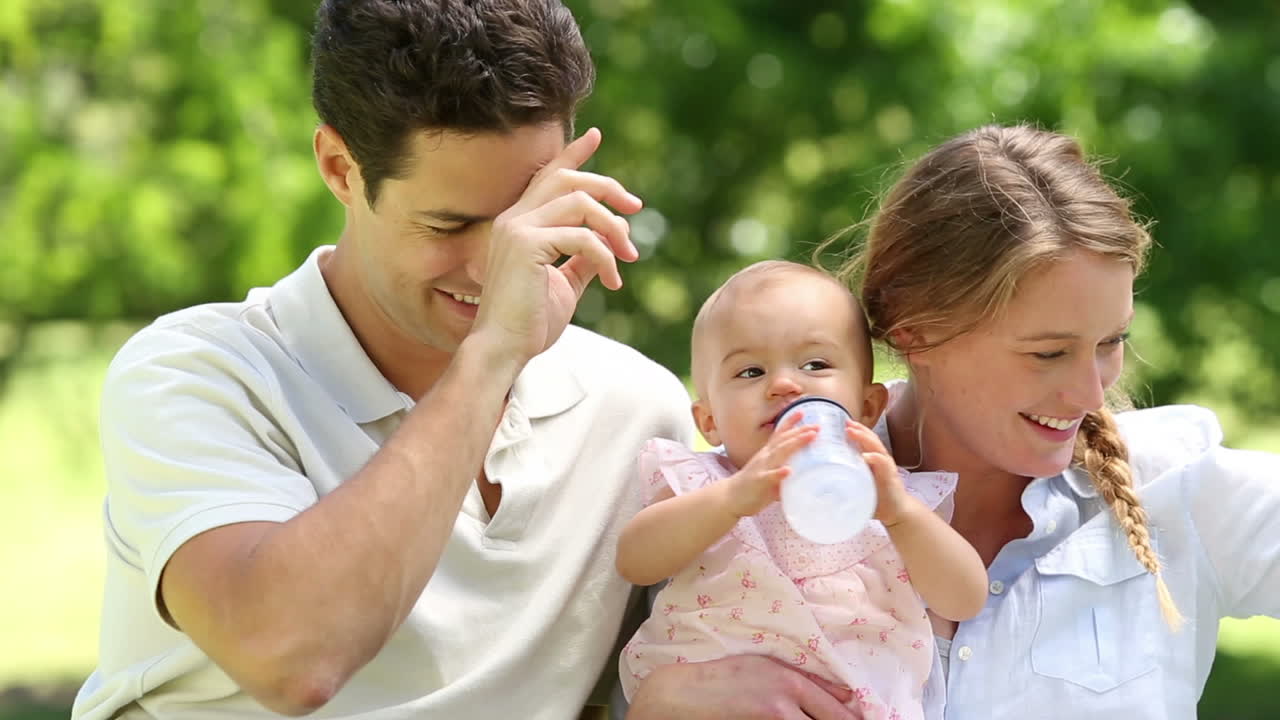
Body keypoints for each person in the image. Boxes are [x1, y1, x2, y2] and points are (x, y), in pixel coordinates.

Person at [71, 1, 694, 718]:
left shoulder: (638, 413)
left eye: (530, 214)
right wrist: (492, 358)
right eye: (448, 224)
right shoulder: (197, 376)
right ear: (340, 167)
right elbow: (290, 659)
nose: (498, 267)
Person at [623, 125, 1280, 720]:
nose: (1090, 391)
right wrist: (656, 703)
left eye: (1110, 342)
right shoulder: (748, 494)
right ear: (917, 332)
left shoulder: (1173, 483)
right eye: (1047, 352)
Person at [614, 261, 988, 720]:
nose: (785, 384)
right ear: (709, 421)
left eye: (816, 364)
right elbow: (635, 559)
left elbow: (966, 598)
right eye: (750, 371)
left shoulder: (889, 497)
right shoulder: (707, 485)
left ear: (868, 407)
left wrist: (900, 514)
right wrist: (732, 500)